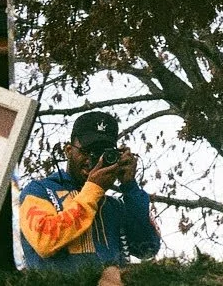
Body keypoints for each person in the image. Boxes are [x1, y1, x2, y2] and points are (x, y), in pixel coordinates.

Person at [18, 111, 160, 272]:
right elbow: (44, 240)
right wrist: (93, 189)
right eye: (86, 151)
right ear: (69, 150)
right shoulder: (39, 190)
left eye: (101, 153)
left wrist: (130, 187)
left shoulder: (113, 206)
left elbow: (148, 249)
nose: (92, 160)